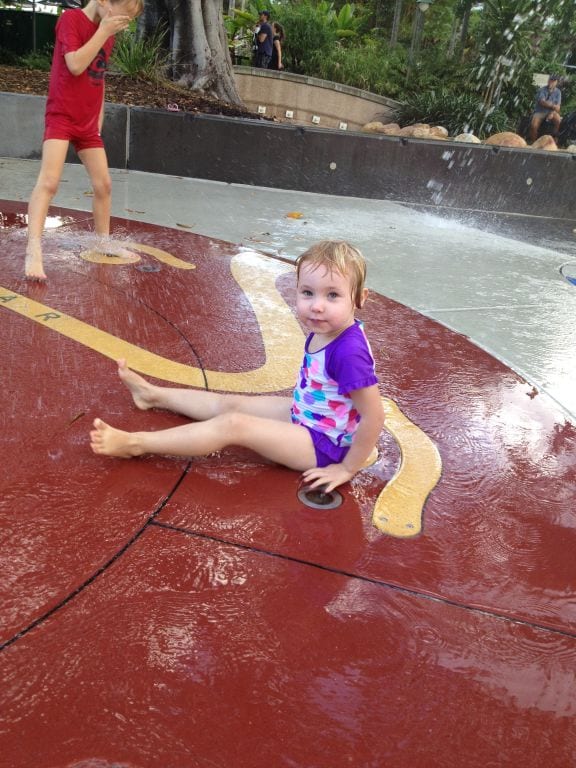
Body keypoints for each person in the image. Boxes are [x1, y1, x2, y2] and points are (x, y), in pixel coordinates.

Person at [90, 240, 385, 493]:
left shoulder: (349, 352)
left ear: (359, 298)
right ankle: (152, 395)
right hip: (308, 417)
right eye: (308, 292)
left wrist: (347, 468)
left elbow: (374, 416)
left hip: (327, 447)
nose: (317, 305)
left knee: (234, 425)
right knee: (231, 403)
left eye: (332, 295)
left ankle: (136, 443)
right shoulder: (328, 328)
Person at [25, 0, 143, 281]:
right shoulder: (71, 20)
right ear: (103, 2)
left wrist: (98, 117)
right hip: (62, 116)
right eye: (122, 17)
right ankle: (33, 249)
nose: (122, 25)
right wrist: (103, 31)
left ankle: (102, 243)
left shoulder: (107, 32)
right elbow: (76, 64)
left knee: (104, 184)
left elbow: (98, 76)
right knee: (49, 182)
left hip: (87, 124)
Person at [529, 73, 562, 144]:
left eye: (553, 81)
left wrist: (552, 112)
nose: (551, 82)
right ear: (548, 80)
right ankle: (534, 143)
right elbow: (542, 102)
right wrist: (553, 106)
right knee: (533, 125)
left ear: (556, 82)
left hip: (552, 112)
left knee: (558, 121)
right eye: (550, 80)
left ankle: (555, 139)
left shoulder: (558, 92)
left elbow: (558, 107)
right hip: (540, 111)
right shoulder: (542, 90)